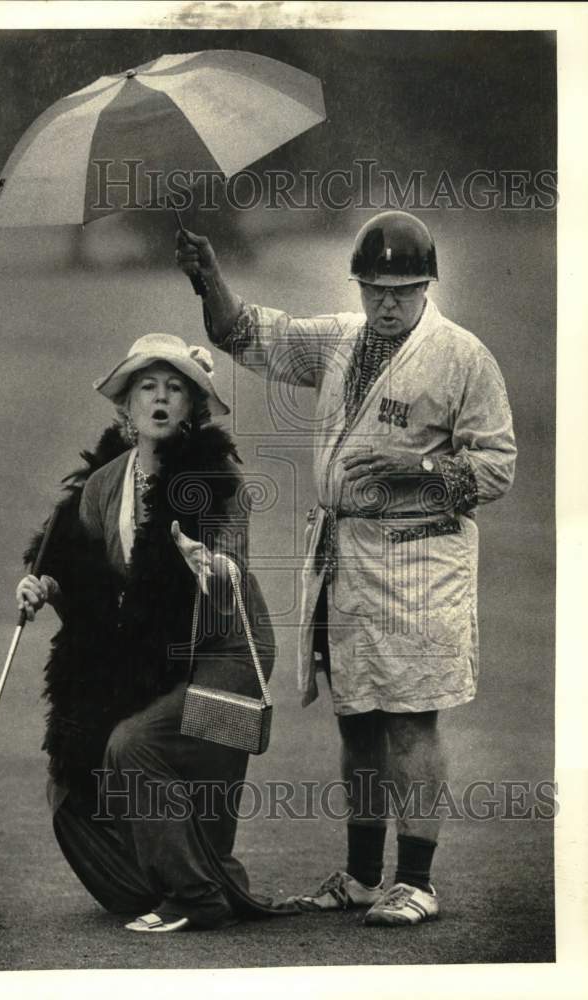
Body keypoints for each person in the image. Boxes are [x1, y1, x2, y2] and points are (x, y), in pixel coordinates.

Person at [175, 211, 516, 926]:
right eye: (374, 288)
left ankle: (416, 880)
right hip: (342, 557)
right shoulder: (338, 341)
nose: (387, 303)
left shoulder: (461, 357)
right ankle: (364, 877)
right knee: (356, 716)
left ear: (427, 286)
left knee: (411, 718)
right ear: (358, 285)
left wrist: (417, 465)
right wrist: (211, 279)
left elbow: (496, 466)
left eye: (403, 289)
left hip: (421, 561)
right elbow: (249, 335)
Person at [16, 333, 290, 933]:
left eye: (175, 389)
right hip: (151, 654)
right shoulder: (103, 485)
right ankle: (165, 881)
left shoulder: (217, 482)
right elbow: (80, 576)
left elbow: (231, 568)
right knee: (75, 768)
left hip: (227, 652)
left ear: (192, 408)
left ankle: (196, 894)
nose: (160, 399)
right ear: (127, 406)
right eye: (148, 387)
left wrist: (206, 562)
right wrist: (46, 588)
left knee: (138, 745)